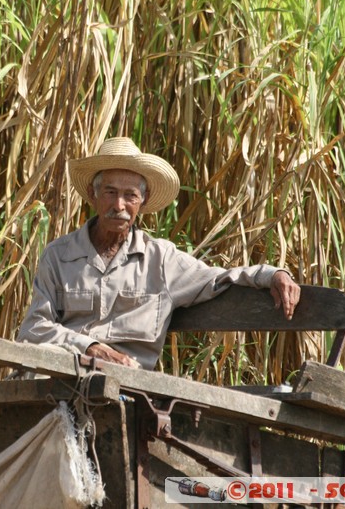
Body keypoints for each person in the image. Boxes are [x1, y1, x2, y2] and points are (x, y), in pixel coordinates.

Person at [17, 137, 300, 369]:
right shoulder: (58, 256)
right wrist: (89, 347)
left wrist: (273, 274)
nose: (119, 205)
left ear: (143, 201)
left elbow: (219, 279)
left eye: (130, 195)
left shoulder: (161, 260)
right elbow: (33, 327)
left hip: (130, 388)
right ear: (93, 196)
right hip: (65, 372)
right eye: (110, 192)